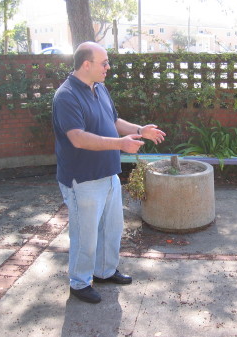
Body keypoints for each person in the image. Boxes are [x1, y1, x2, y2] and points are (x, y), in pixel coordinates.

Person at [52, 41, 166, 303]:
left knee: (110, 229)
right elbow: (78, 138)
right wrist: (120, 144)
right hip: (83, 179)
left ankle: (103, 271)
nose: (108, 67)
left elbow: (114, 121)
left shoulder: (99, 88)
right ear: (86, 64)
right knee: (85, 235)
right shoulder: (66, 96)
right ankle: (80, 283)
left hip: (108, 173)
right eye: (104, 63)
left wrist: (140, 131)